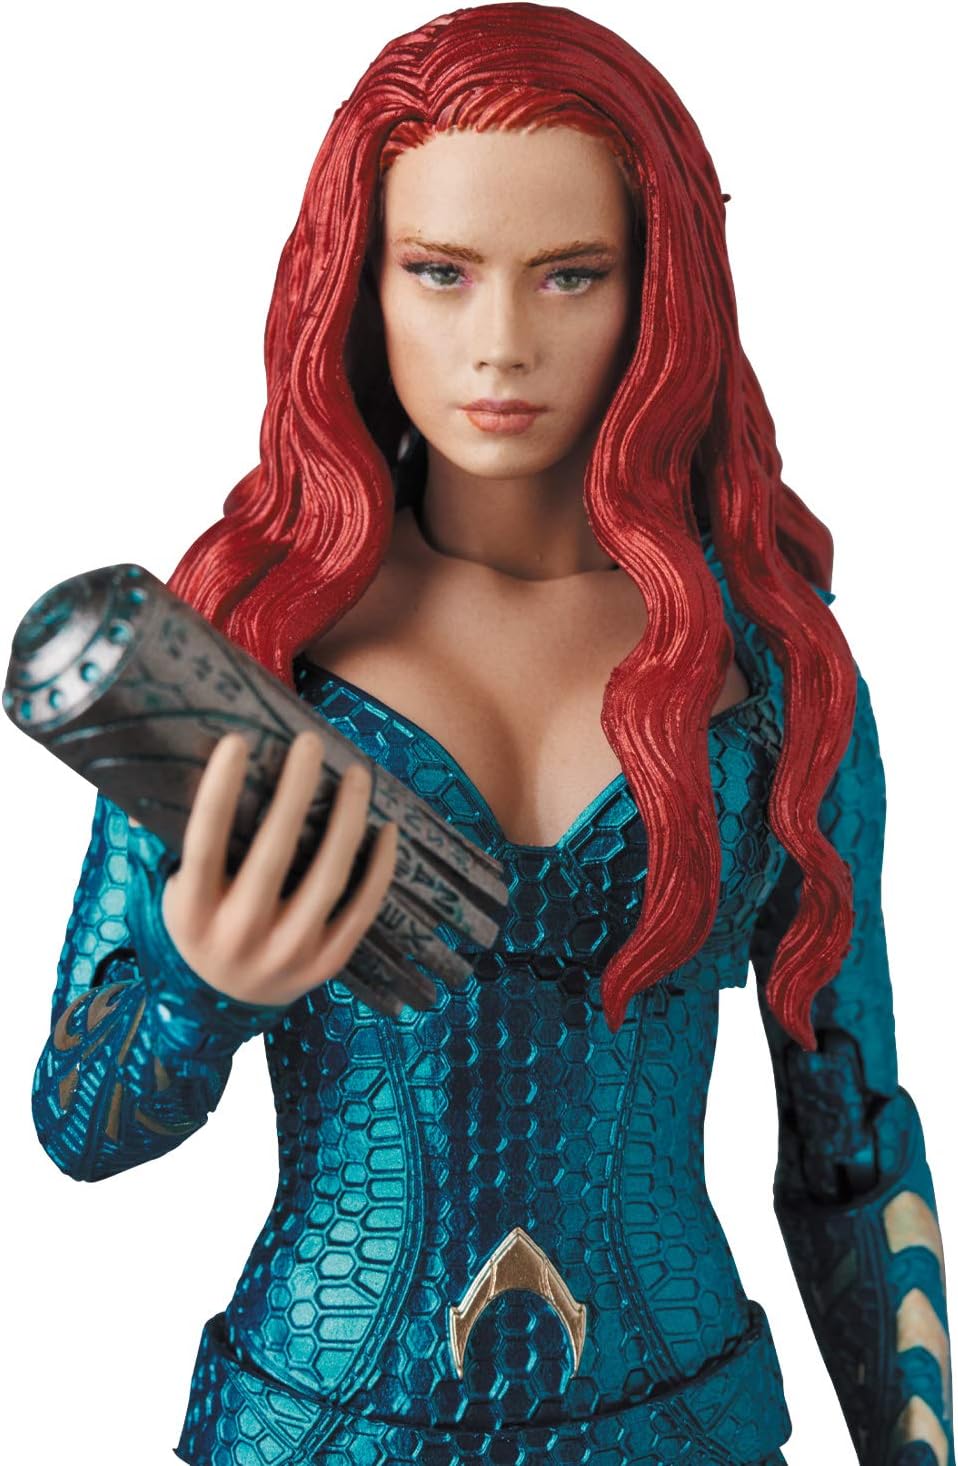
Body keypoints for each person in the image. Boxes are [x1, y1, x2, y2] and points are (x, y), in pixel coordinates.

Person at [27, 5, 953, 1463]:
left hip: (679, 1424)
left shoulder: (769, 664)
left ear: (656, 294)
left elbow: (851, 1141)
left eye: (569, 274)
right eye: (440, 272)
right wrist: (199, 991)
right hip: (320, 1422)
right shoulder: (251, 647)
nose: (502, 344)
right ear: (360, 281)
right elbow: (78, 1122)